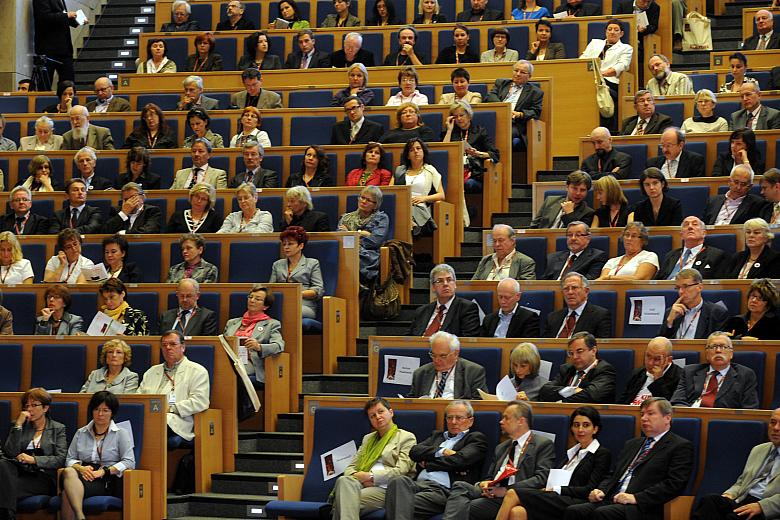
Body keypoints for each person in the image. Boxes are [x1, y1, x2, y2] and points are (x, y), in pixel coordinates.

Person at [564, 398, 694, 520]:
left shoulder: (679, 446)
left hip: (643, 505)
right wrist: (601, 490)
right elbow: (612, 474)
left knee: (603, 514)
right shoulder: (632, 444)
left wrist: (636, 498)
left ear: (667, 418)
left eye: (650, 414)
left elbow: (674, 484)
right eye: (642, 414)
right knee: (575, 511)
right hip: (613, 499)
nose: (644, 418)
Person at [440, 400, 555, 520]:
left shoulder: (542, 444)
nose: (501, 421)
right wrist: (485, 484)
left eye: (506, 418)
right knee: (460, 486)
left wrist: (506, 490)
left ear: (521, 421)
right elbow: (489, 477)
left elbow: (541, 478)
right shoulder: (501, 447)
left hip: (516, 495)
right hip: (493, 491)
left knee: (461, 507)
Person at [496, 407, 611, 520]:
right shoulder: (571, 453)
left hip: (575, 499)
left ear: (595, 429)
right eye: (576, 425)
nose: (580, 430)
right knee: (517, 512)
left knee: (512, 493)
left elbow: (589, 489)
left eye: (586, 425)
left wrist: (557, 489)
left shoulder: (601, 453)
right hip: (556, 498)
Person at [385, 399, 488, 520]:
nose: (453, 422)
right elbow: (414, 451)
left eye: (459, 418)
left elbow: (460, 460)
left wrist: (428, 463)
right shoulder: (437, 436)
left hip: (443, 490)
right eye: (450, 418)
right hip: (418, 484)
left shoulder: (476, 439)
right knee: (398, 480)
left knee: (397, 503)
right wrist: (442, 451)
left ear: (470, 421)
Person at [330, 398, 416, 520]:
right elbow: (349, 468)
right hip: (361, 484)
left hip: (386, 488)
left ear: (391, 412)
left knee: (342, 501)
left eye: (381, 412)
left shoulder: (406, 437)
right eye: (372, 416)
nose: (377, 417)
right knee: (344, 481)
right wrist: (360, 476)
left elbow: (401, 471)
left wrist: (371, 476)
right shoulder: (368, 439)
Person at [691, 407, 780, 520]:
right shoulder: (759, 450)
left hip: (768, 508)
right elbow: (742, 481)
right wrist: (729, 495)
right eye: (773, 422)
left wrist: (762, 506)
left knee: (733, 518)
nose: (776, 428)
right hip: (744, 500)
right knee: (710, 502)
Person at [59, 391, 135, 520]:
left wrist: (103, 472)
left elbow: (129, 462)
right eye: (96, 409)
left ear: (112, 413)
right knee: (68, 471)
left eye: (105, 410)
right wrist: (81, 468)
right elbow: (69, 459)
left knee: (67, 493)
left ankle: (79, 516)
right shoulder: (81, 433)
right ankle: (80, 515)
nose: (100, 414)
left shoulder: (121, 433)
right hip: (82, 474)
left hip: (105, 479)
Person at [0, 388, 66, 519]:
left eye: (34, 405)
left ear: (45, 408)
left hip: (43, 476)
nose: (29, 409)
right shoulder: (20, 426)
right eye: (27, 406)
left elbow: (60, 459)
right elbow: (10, 452)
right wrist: (18, 425)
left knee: (4, 488)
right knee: (2, 463)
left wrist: (34, 460)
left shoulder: (57, 428)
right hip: (20, 472)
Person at [137, 330, 210, 443]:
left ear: (183, 347)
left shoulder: (197, 371)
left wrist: (170, 408)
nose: (168, 348)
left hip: (177, 419)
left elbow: (200, 402)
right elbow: (138, 398)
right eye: (164, 345)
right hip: (148, 417)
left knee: (154, 425)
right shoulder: (152, 371)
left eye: (173, 344)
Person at [671, 332, 760, 408]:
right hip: (693, 419)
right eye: (713, 347)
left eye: (723, 347)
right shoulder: (689, 372)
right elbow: (677, 401)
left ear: (731, 353)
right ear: (707, 353)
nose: (718, 351)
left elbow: (750, 408)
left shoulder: (745, 375)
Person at [224, 284, 285, 382]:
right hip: (228, 359)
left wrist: (259, 347)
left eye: (257, 299)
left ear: (265, 306)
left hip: (249, 362)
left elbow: (279, 346)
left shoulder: (272, 324)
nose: (252, 300)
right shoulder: (232, 323)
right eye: (250, 297)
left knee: (231, 371)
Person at [581, 20, 633, 130]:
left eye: (616, 30)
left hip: (610, 82)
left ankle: (606, 129)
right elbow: (582, 60)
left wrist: (599, 74)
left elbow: (621, 66)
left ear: (621, 34)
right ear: (605, 32)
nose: (612, 32)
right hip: (590, 79)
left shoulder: (626, 48)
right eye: (609, 29)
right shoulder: (595, 43)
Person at [408, 330, 488, 399]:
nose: (436, 360)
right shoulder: (420, 373)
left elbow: (479, 402)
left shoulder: (473, 372)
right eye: (434, 355)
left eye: (443, 356)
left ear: (456, 353)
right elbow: (412, 402)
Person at [539, 332, 616, 403]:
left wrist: (561, 399)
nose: (574, 357)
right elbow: (545, 391)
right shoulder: (566, 369)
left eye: (579, 351)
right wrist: (573, 390)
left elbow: (591, 396)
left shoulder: (604, 370)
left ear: (593, 351)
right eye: (571, 353)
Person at [442, 100, 500, 194]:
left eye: (461, 115)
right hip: (453, 171)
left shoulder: (479, 131)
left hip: (473, 173)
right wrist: (449, 130)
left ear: (469, 115)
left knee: (467, 184)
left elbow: (495, 154)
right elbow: (443, 151)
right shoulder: (451, 132)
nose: (459, 119)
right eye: (455, 117)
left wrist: (478, 153)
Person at [390, 138, 444, 235]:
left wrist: (423, 198)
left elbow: (441, 195)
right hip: (401, 205)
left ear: (423, 152)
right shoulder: (399, 170)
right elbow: (390, 191)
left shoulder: (430, 170)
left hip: (419, 205)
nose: (416, 151)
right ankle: (411, 224)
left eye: (418, 148)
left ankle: (411, 224)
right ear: (408, 156)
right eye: (411, 150)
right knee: (401, 210)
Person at [484, 60, 543, 150]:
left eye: (522, 72)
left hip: (514, 124)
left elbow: (536, 112)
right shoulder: (501, 83)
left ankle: (499, 160)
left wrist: (520, 114)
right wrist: (503, 109)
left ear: (529, 76)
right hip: (495, 117)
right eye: (516, 70)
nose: (518, 74)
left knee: (503, 133)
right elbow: (490, 96)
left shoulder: (535, 92)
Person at [408, 264, 481, 337]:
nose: (445, 284)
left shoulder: (467, 308)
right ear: (433, 287)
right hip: (420, 347)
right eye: (440, 281)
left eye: (449, 280)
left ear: (455, 284)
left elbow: (468, 341)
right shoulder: (421, 311)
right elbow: (409, 338)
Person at [338, 186, 390, 285]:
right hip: (346, 251)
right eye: (362, 197)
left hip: (369, 254)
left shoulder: (382, 218)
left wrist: (350, 233)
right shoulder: (346, 218)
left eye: (368, 200)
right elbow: (339, 239)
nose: (363, 201)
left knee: (353, 259)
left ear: (375, 205)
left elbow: (375, 241)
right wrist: (362, 234)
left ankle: (358, 288)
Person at [659, 268, 730, 339]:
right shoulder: (671, 312)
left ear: (700, 287)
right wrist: (669, 322)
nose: (681, 291)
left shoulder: (716, 313)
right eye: (678, 287)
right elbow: (660, 345)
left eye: (685, 286)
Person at [269, 226, 323, 319]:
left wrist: (297, 293)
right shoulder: (277, 264)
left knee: (288, 311)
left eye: (290, 244)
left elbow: (318, 289)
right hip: (281, 303)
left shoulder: (312, 263)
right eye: (284, 244)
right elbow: (271, 287)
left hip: (304, 305)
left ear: (301, 246)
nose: (286, 247)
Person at [656, 216, 727, 280]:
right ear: (681, 235)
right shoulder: (671, 255)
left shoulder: (715, 255)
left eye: (695, 224)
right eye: (686, 225)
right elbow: (659, 279)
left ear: (704, 233)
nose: (690, 227)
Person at [544, 273, 611, 338]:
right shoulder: (552, 318)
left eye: (574, 288)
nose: (570, 292)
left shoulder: (600, 315)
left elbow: (601, 346)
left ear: (586, 291)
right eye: (566, 289)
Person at [618, 337, 682, 404]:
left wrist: (658, 380)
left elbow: (667, 408)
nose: (650, 363)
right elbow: (621, 404)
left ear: (669, 360)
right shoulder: (639, 373)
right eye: (648, 356)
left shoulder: (679, 377)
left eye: (657, 359)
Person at [542, 221, 608, 280]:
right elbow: (543, 283)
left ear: (588, 238)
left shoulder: (597, 256)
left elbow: (589, 281)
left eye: (578, 235)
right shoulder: (553, 257)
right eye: (570, 235)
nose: (573, 238)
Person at [32, 0, 78, 83]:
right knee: (45, 84)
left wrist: (76, 21)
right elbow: (44, 17)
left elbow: (61, 18)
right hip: (48, 49)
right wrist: (66, 15)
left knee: (68, 82)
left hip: (65, 48)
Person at [530, 170, 595, 228]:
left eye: (582, 190)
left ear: (587, 192)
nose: (578, 193)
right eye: (574, 188)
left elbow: (577, 233)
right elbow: (534, 225)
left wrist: (569, 213)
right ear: (567, 187)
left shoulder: (588, 213)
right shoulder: (550, 201)